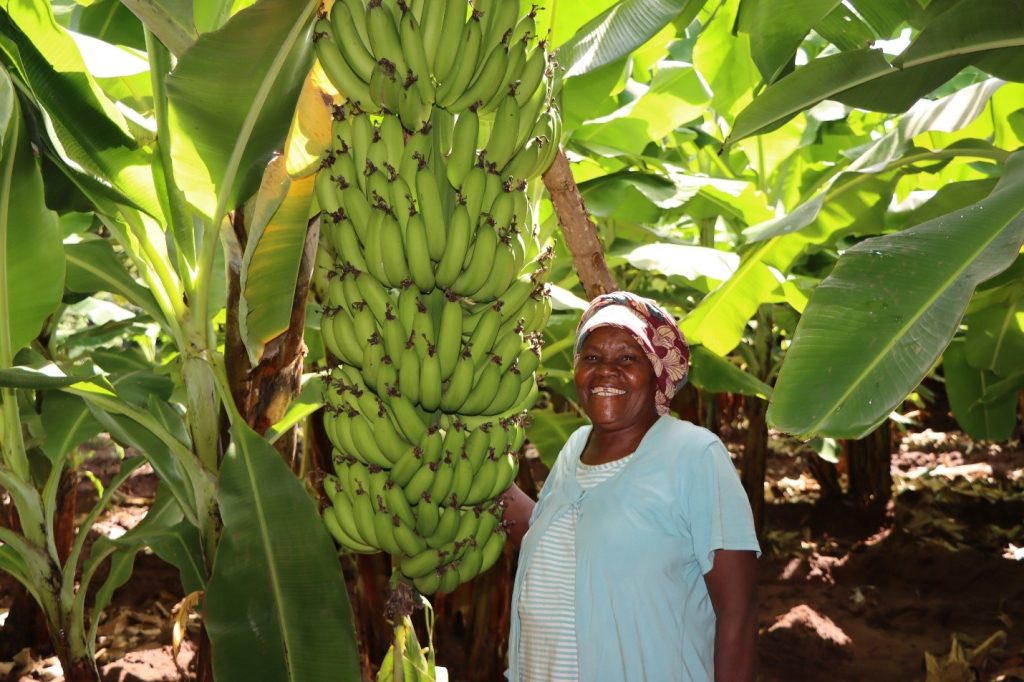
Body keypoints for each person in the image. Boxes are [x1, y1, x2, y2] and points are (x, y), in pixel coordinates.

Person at [501, 291, 761, 681]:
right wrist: (478, 473)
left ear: (657, 371)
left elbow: (738, 612)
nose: (606, 370)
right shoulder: (575, 447)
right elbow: (557, 536)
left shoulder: (694, 455)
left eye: (627, 358)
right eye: (591, 358)